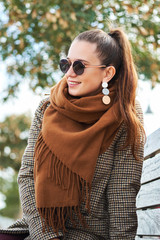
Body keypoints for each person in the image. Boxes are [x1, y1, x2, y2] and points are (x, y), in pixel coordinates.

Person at [0, 27, 145, 240]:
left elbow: (121, 193)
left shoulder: (124, 115)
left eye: (80, 66)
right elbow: (27, 175)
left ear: (107, 73)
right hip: (41, 228)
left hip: (88, 233)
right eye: (66, 64)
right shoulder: (47, 107)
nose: (69, 73)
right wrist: (46, 236)